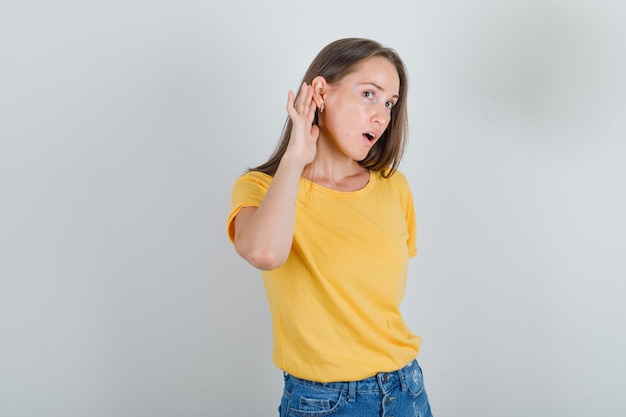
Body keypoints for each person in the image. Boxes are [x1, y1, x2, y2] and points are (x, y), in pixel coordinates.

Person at [226, 38, 433, 417]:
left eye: (390, 103)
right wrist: (295, 157)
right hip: (325, 403)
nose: (382, 116)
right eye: (369, 94)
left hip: (406, 390)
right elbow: (264, 253)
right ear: (320, 92)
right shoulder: (260, 188)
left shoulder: (394, 187)